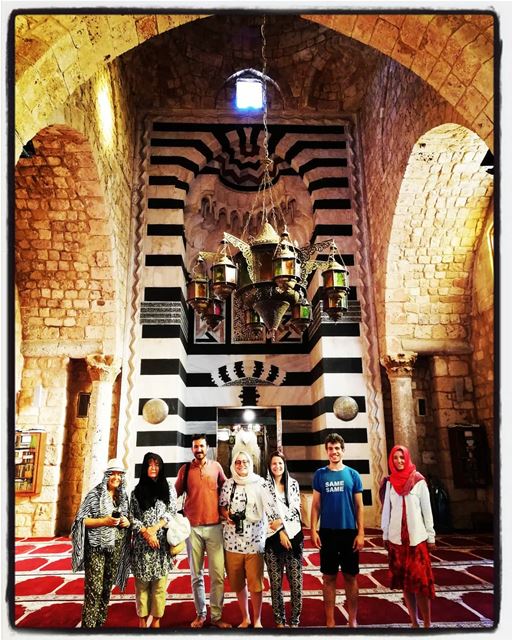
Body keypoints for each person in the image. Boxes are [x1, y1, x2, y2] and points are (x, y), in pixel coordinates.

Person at [175, 434, 232, 629]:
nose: (198, 449)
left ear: (207, 447)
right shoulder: (185, 469)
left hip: (215, 527)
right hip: (193, 529)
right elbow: (174, 493)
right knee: (196, 575)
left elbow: (227, 488)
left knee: (217, 574)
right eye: (195, 446)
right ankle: (200, 614)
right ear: (192, 448)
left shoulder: (216, 467)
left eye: (201, 446)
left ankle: (216, 616)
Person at [310, 433, 364, 628]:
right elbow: (315, 505)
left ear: (343, 450)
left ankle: (352, 618)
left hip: (349, 532)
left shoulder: (353, 475)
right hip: (327, 532)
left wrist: (361, 533)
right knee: (328, 577)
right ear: (327, 451)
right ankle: (330, 619)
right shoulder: (320, 474)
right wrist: (313, 530)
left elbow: (359, 507)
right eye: (330, 449)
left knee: (351, 576)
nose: (334, 452)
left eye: (337, 448)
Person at [71, 458, 131, 628]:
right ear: (107, 475)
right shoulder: (94, 494)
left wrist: (127, 521)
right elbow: (81, 521)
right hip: (96, 547)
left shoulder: (123, 496)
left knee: (106, 589)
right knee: (94, 589)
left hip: (116, 547)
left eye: (120, 474)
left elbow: (129, 518)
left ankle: (99, 625)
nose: (117, 477)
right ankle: (88, 628)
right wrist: (104, 521)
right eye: (113, 473)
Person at [380, 444, 436, 628]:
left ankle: (427, 623)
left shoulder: (418, 480)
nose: (399, 461)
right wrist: (385, 534)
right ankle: (414, 622)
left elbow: (427, 511)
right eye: (395, 458)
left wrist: (431, 535)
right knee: (406, 584)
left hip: (416, 540)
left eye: (401, 457)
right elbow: (386, 510)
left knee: (420, 584)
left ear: (407, 457)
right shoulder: (389, 482)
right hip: (397, 541)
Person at [219, 449, 267, 628]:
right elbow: (222, 506)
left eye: (245, 461)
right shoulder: (228, 484)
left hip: (255, 543)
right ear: (233, 464)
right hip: (232, 543)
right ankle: (245, 617)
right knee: (238, 583)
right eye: (238, 462)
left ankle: (257, 620)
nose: (241, 465)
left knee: (256, 584)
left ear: (251, 463)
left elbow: (270, 507)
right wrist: (227, 514)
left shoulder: (260, 483)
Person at [130, 452, 178, 628]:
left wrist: (154, 529)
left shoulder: (168, 488)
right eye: (150, 464)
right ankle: (142, 620)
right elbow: (131, 517)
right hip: (142, 546)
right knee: (141, 586)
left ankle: (156, 620)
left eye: (157, 464)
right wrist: (145, 532)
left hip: (160, 545)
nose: (153, 468)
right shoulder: (136, 491)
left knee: (159, 586)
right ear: (144, 467)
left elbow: (172, 511)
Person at [263, 451, 303, 628]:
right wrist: (280, 531)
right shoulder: (264, 487)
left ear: (284, 465)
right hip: (273, 539)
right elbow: (267, 514)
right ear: (269, 466)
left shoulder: (293, 484)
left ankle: (295, 620)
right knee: (276, 583)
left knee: (295, 582)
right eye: (274, 464)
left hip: (294, 537)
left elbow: (295, 511)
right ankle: (279, 620)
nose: (277, 466)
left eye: (280, 463)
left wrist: (284, 528)